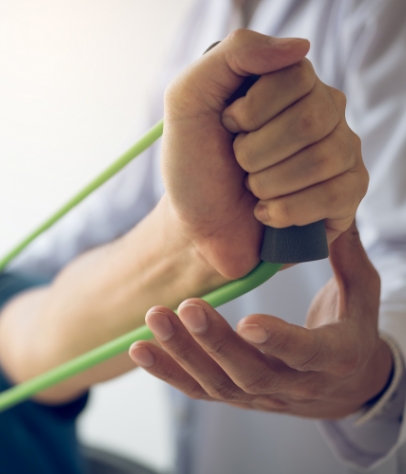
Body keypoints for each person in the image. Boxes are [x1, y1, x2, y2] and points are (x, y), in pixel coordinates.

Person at [5, 1, 406, 473]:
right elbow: (118, 212)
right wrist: (189, 239)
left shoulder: (376, 13)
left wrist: (380, 369)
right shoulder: (207, 13)